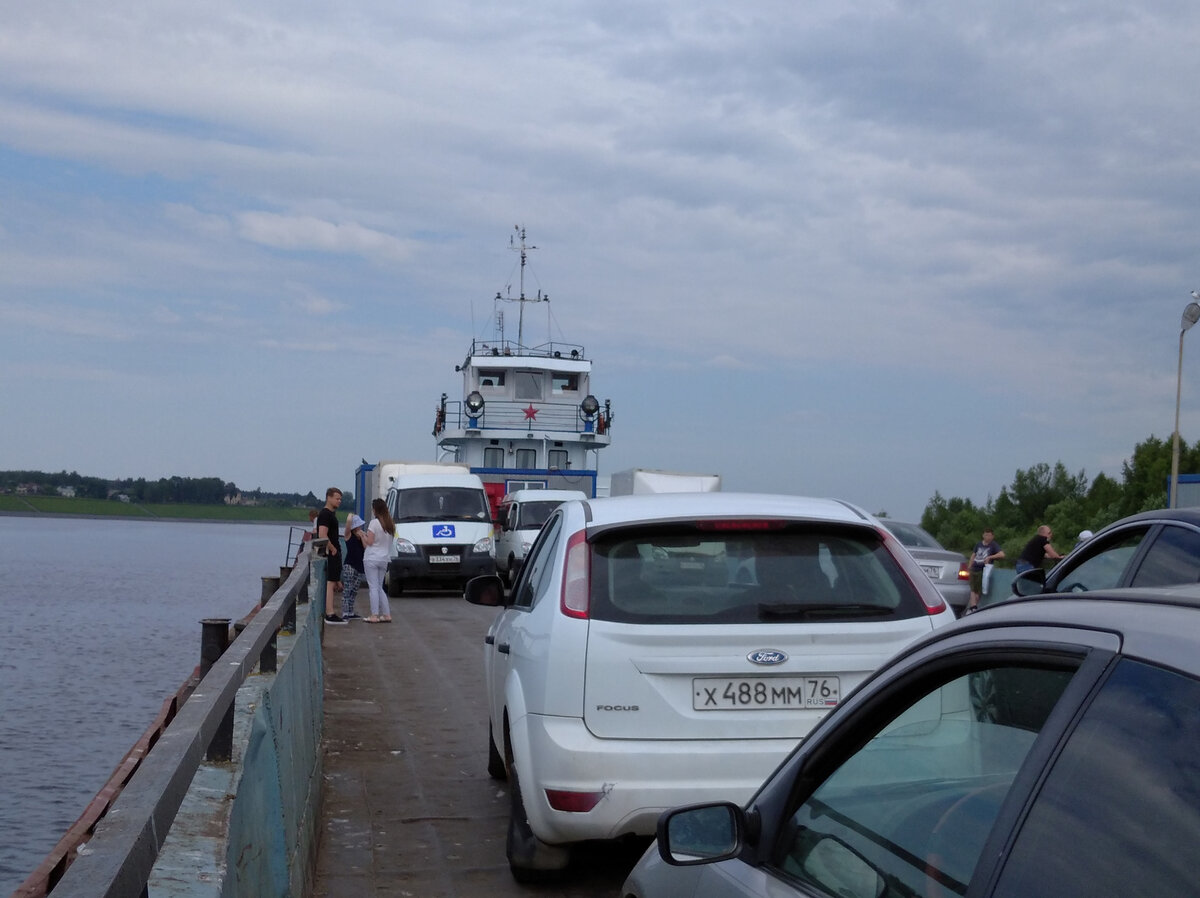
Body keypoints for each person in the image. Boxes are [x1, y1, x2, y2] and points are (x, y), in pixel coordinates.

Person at [362, 497, 395, 623]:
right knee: (379, 587)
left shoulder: (374, 523)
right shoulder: (390, 524)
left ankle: (374, 615)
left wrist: (362, 535)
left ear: (375, 510)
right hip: (384, 559)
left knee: (373, 587)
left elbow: (369, 542)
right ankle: (386, 614)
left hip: (371, 558)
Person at [317, 487, 347, 624]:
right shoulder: (325, 514)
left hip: (335, 552)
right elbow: (322, 534)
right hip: (331, 552)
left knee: (333, 581)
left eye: (340, 499)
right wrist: (333, 549)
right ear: (328, 497)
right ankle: (329, 613)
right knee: (330, 582)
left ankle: (330, 612)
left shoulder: (331, 514)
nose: (339, 501)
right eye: (337, 498)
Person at [965, 528, 1005, 614]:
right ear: (983, 535)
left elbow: (1002, 554)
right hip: (974, 568)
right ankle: (973, 607)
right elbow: (973, 555)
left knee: (978, 590)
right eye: (986, 535)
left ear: (992, 536)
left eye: (989, 535)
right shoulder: (978, 544)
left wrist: (990, 557)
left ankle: (974, 607)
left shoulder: (993, 545)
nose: (987, 537)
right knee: (972, 588)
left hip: (983, 570)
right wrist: (969, 566)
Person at [341, 513, 367, 621]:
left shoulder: (361, 536)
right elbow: (347, 527)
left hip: (359, 566)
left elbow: (366, 547)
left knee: (355, 590)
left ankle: (350, 611)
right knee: (348, 588)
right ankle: (345, 612)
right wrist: (350, 517)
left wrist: (363, 537)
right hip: (350, 565)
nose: (360, 528)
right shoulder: (349, 536)